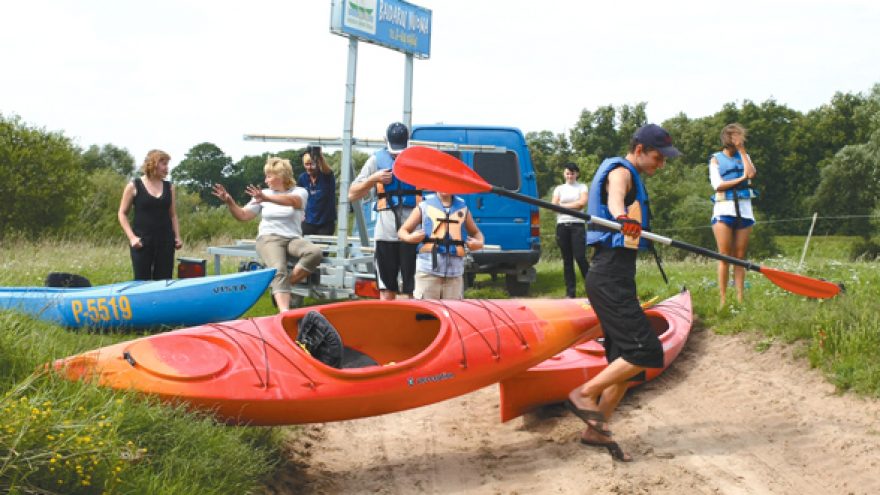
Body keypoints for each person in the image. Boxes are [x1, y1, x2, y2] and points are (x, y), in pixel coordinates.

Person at [567, 124, 682, 462]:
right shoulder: (621, 171)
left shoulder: (630, 172)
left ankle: (596, 428)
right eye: (658, 157)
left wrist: (623, 218)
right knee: (645, 350)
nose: (661, 164)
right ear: (640, 149)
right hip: (609, 276)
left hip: (615, 275)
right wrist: (620, 216)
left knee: (626, 359)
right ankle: (584, 393)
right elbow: (615, 195)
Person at [212, 157, 323, 312]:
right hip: (269, 238)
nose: (266, 180)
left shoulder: (299, 191)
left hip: (293, 238)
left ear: (281, 176)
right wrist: (229, 201)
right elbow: (243, 215)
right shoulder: (262, 194)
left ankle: (284, 284)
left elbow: (294, 202)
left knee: (315, 252)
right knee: (278, 269)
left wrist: (266, 198)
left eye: (269, 176)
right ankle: (284, 313)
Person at [348, 122, 421, 300]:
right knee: (387, 287)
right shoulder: (376, 160)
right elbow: (352, 194)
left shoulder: (419, 159)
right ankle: (388, 316)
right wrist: (373, 179)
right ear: (385, 141)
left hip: (413, 234)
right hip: (386, 234)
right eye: (394, 150)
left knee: (414, 289)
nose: (397, 154)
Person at [398, 191, 484, 299]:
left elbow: (476, 233)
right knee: (426, 310)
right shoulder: (424, 206)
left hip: (454, 275)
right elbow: (402, 231)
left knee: (452, 309)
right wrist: (410, 237)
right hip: (427, 272)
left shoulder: (463, 208)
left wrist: (479, 243)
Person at [709, 123, 757, 306]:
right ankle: (722, 299)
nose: (740, 138)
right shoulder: (716, 159)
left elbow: (751, 173)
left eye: (741, 135)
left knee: (740, 256)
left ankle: (739, 299)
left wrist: (742, 151)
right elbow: (718, 185)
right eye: (736, 136)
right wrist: (741, 179)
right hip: (724, 210)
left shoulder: (745, 156)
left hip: (744, 210)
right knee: (724, 255)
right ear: (727, 138)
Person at [118, 149, 182, 280]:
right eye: (164, 164)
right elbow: (122, 213)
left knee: (164, 281)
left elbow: (173, 215)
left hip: (165, 242)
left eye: (167, 164)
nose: (167, 168)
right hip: (142, 242)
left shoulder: (169, 187)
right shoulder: (134, 185)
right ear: (153, 164)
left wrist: (177, 237)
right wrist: (132, 238)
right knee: (142, 282)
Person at [552, 162, 590, 298]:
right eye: (567, 173)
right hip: (562, 225)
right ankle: (570, 293)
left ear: (577, 174)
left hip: (577, 225)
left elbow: (581, 204)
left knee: (580, 257)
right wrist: (570, 206)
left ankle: (592, 289)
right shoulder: (559, 189)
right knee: (567, 260)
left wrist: (562, 206)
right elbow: (554, 206)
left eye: (572, 173)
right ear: (564, 174)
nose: (570, 176)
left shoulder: (582, 187)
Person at [297, 146, 337, 236]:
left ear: (318, 163)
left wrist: (319, 156)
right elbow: (298, 198)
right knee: (305, 244)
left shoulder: (326, 176)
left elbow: (327, 170)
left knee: (322, 245)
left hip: (325, 223)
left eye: (312, 164)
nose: (309, 167)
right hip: (308, 221)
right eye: (306, 164)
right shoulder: (302, 178)